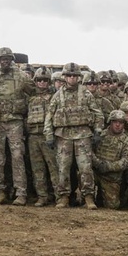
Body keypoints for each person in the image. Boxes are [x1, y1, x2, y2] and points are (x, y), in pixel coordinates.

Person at [45, 62, 104, 209]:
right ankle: (64, 197)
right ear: (64, 77)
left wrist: (97, 131)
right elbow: (49, 117)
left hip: (83, 135)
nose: (72, 78)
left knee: (85, 168)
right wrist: (49, 135)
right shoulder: (58, 96)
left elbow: (98, 114)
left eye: (74, 76)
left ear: (78, 77)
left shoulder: (86, 94)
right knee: (63, 168)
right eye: (69, 75)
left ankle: (89, 197)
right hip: (63, 136)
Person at [0, 47, 35, 204]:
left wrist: (24, 109)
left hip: (14, 122)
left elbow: (34, 93)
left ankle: (21, 193)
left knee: (17, 156)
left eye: (7, 59)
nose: (5, 61)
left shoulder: (21, 75)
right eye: (2, 59)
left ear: (12, 60)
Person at [23, 67, 57, 206]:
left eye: (45, 80)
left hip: (47, 136)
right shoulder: (30, 98)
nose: (42, 83)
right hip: (33, 136)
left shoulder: (54, 97)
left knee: (54, 168)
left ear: (49, 82)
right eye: (39, 80)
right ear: (35, 81)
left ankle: (59, 196)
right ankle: (42, 196)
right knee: (37, 169)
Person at [93, 110, 128, 209]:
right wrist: (98, 163)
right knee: (84, 174)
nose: (118, 125)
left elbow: (127, 161)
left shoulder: (126, 141)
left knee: (112, 206)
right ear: (110, 122)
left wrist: (108, 166)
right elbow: (88, 152)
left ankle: (100, 198)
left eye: (121, 122)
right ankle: (87, 199)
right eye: (115, 122)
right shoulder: (100, 136)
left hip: (112, 176)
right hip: (96, 171)